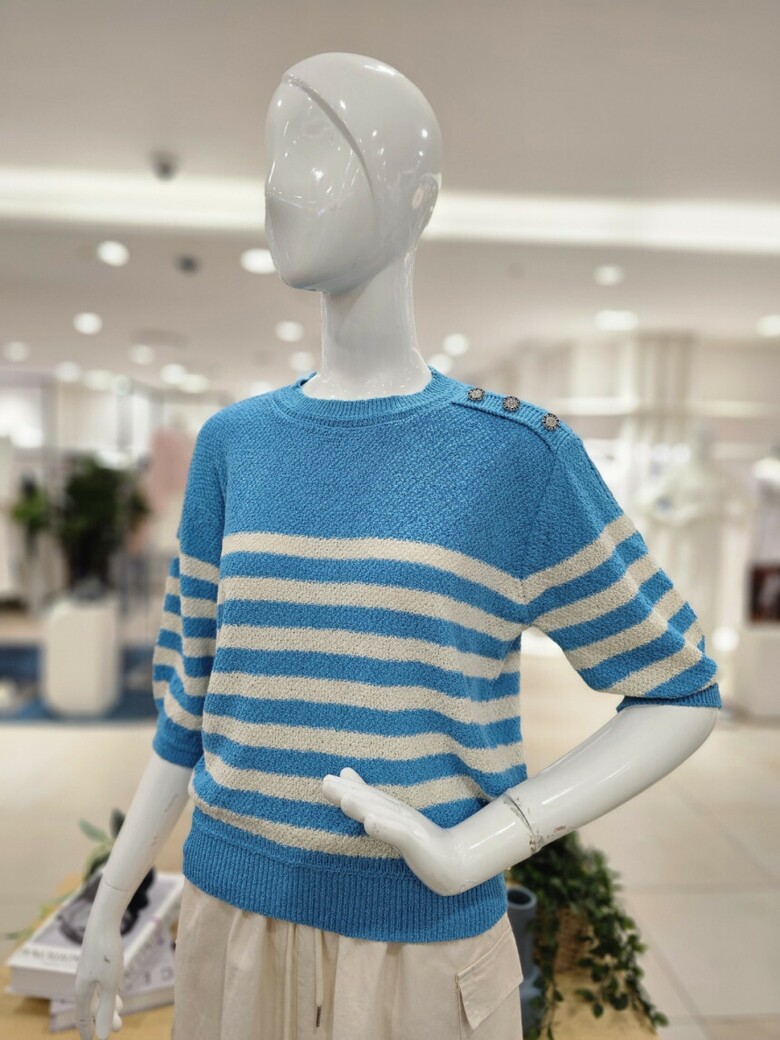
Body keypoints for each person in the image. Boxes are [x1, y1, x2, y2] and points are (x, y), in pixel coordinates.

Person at [75, 52, 721, 1040]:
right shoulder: (232, 445)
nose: (282, 184)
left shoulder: (516, 455)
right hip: (225, 923)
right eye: (275, 153)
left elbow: (681, 689)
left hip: (418, 951)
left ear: (418, 200)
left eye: (321, 149)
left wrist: (479, 845)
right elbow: (186, 704)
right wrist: (113, 900)